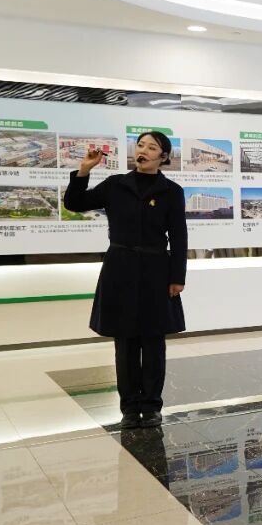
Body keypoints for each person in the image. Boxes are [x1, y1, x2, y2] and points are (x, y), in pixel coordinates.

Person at [63, 131, 187, 429]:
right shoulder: (115, 184)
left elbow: (179, 236)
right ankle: (130, 407)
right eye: (140, 145)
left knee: (153, 341)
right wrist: (84, 170)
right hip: (120, 268)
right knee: (125, 341)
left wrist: (177, 277)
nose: (143, 151)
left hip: (157, 270)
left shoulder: (171, 191)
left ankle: (152, 406)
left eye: (152, 147)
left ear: (163, 157)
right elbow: (74, 203)